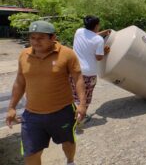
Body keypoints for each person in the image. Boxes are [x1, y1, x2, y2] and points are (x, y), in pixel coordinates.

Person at [5, 21, 86, 165]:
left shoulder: (67, 54)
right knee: (31, 153)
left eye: (41, 37)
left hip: (62, 111)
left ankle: (70, 161)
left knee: (68, 142)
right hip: (32, 115)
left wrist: (82, 104)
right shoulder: (24, 55)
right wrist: (11, 107)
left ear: (53, 37)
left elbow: (78, 78)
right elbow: (19, 82)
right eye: (32, 37)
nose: (35, 42)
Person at [72, 15, 110, 123]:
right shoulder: (98, 40)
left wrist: (103, 32)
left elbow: (90, 36)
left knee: (75, 95)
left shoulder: (79, 31)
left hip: (74, 70)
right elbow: (99, 57)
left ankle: (73, 116)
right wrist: (104, 51)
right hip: (88, 73)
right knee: (86, 97)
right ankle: (80, 119)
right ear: (97, 25)